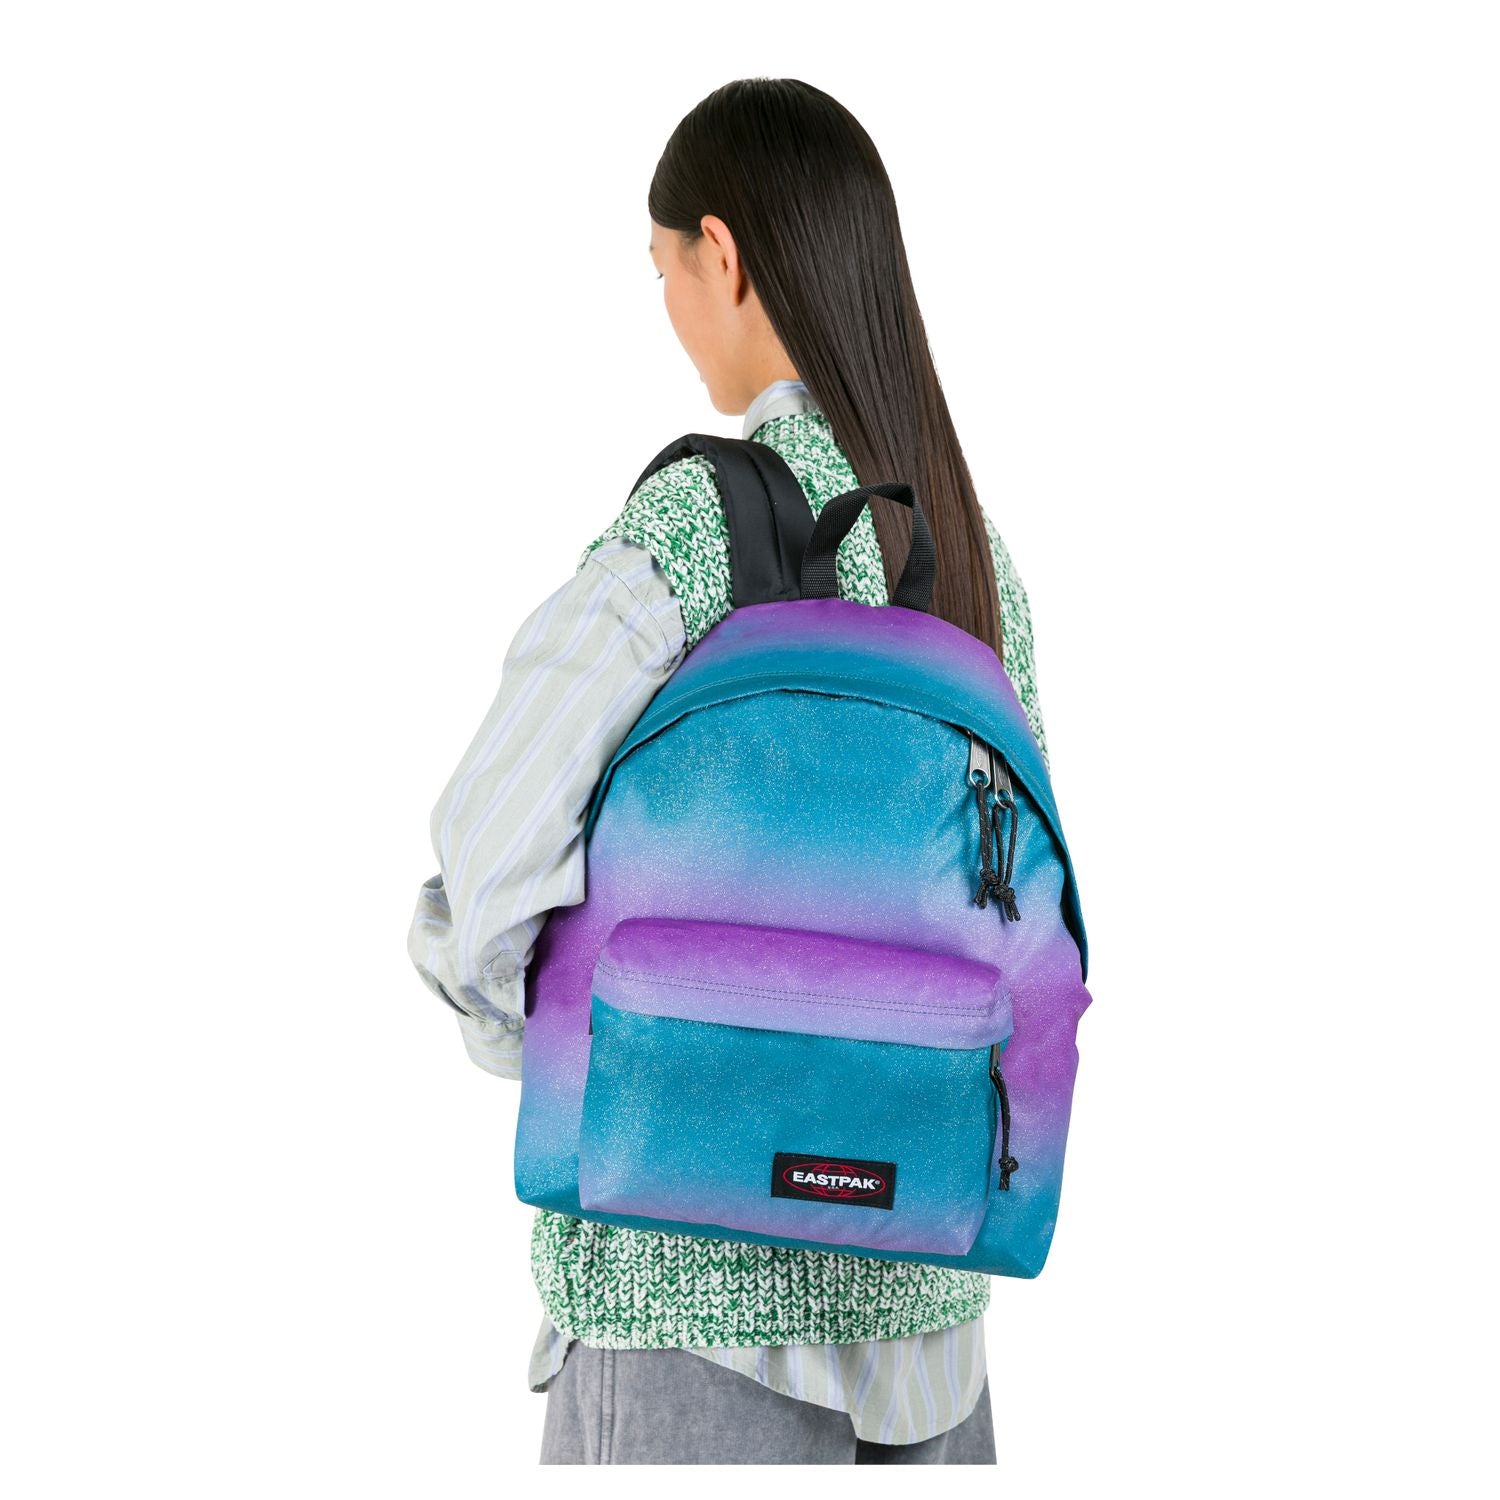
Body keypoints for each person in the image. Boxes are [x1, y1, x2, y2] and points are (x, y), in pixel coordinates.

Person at [407, 77, 1052, 1466]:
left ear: (723, 251)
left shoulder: (703, 519)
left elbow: (490, 853)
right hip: (932, 1332)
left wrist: (570, 1045)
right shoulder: (972, 554)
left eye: (661, 270)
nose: (669, 306)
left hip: (690, 1322)